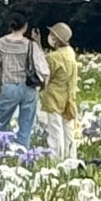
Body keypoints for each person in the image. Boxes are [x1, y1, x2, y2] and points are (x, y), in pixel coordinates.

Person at [0, 14, 49, 146]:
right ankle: (22, 156)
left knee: (0, 125)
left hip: (9, 86)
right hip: (28, 87)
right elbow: (43, 67)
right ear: (25, 26)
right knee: (25, 126)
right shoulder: (30, 45)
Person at [41, 22, 80, 163]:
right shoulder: (70, 53)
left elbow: (45, 75)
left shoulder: (53, 57)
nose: (50, 37)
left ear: (56, 39)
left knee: (55, 131)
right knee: (68, 130)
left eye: (52, 35)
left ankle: (57, 159)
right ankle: (71, 158)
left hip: (53, 96)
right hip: (69, 96)